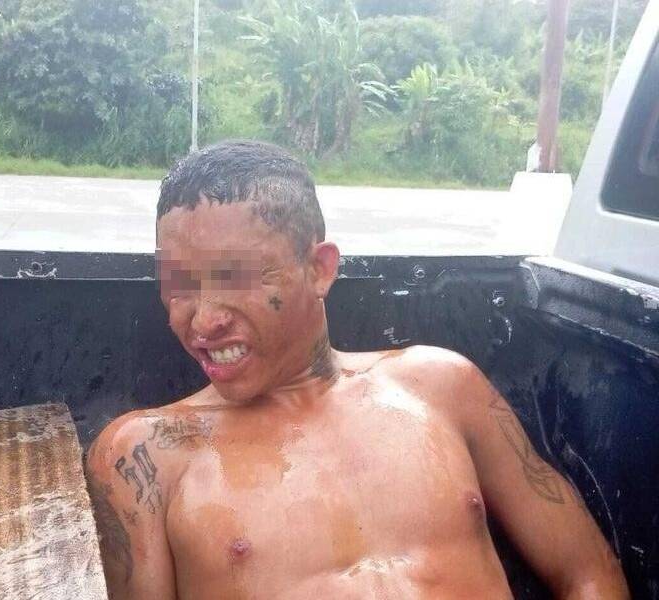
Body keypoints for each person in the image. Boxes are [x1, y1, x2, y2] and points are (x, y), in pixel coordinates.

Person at [85, 140, 629, 599]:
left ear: (319, 269)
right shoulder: (144, 458)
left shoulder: (442, 386)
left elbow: (587, 573)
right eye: (179, 285)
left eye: (235, 278)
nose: (203, 321)